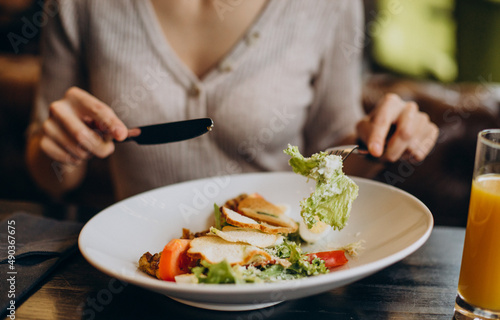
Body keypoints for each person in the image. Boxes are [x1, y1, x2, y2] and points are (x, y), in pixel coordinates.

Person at [26, 0, 439, 201]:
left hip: (276, 266)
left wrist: (382, 142)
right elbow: (50, 175)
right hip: (138, 270)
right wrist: (60, 150)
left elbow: (334, 150)